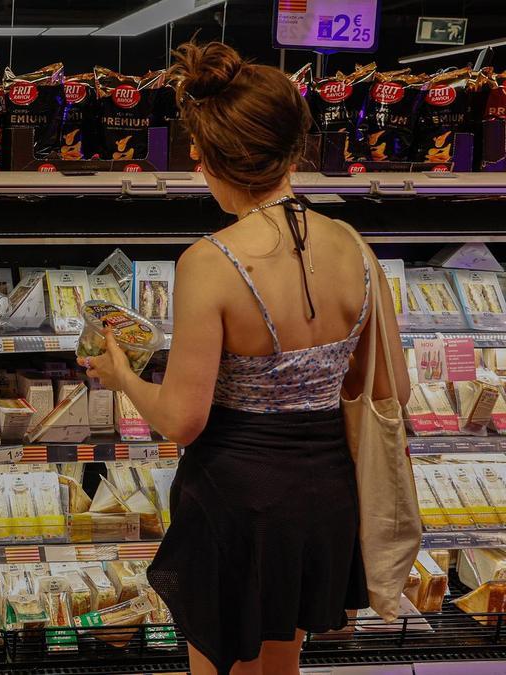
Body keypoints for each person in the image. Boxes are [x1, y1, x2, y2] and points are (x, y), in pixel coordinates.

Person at [80, 41, 410, 675]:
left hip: (236, 499)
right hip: (325, 493)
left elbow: (182, 420)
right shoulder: (353, 247)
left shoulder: (211, 261)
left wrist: (122, 374)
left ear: (212, 160)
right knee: (281, 664)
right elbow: (382, 382)